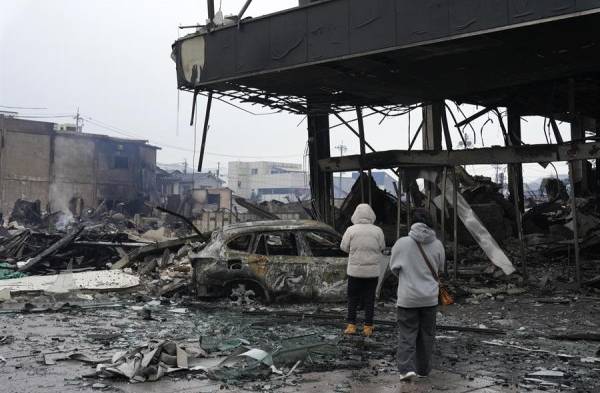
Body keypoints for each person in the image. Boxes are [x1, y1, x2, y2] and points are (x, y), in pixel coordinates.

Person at [389, 208, 445, 381]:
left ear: (412, 222)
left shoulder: (402, 243)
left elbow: (394, 268)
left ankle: (406, 370)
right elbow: (440, 269)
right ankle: (423, 369)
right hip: (429, 298)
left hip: (408, 299)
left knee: (407, 334)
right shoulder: (437, 244)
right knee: (427, 335)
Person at [340, 203, 386, 337]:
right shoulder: (378, 231)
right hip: (372, 273)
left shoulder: (351, 230)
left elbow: (343, 247)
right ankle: (368, 327)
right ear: (371, 215)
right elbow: (382, 247)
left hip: (354, 272)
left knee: (352, 298)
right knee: (369, 299)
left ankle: (351, 326)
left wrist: (353, 251)